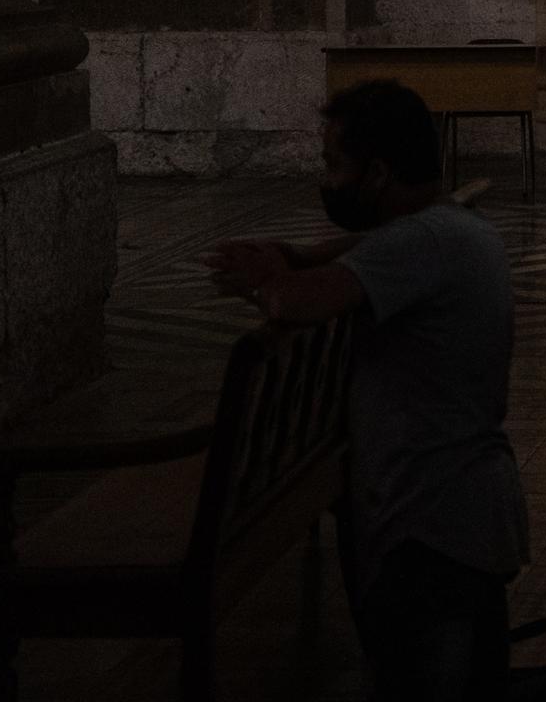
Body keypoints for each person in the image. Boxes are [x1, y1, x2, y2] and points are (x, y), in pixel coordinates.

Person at [206, 79, 529, 701]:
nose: (326, 182)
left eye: (334, 165)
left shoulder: (423, 241)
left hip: (432, 525)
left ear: (377, 173)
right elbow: (356, 251)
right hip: (458, 512)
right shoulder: (450, 227)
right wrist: (292, 253)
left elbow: (298, 300)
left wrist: (263, 279)